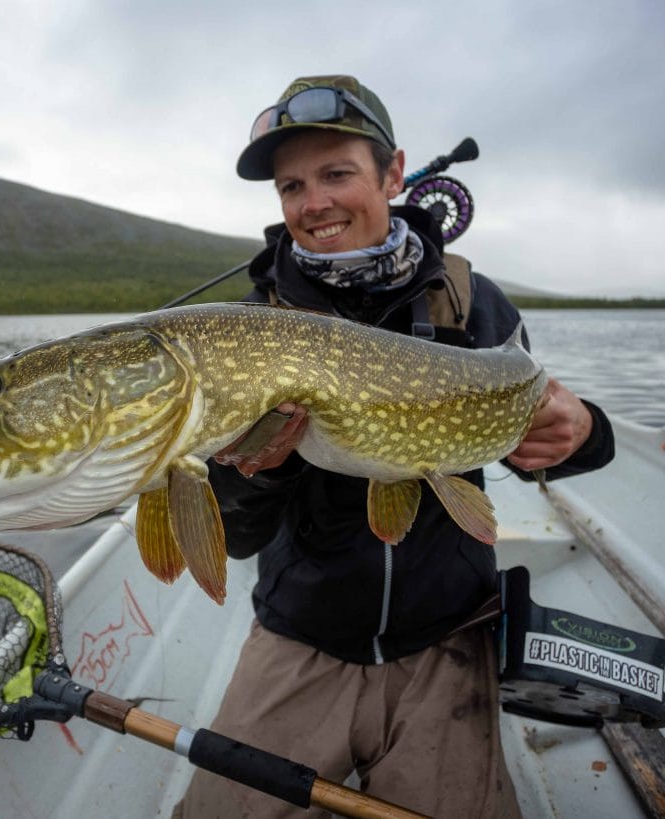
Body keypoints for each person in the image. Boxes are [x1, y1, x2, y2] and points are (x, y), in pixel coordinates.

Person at [172, 75, 615, 818]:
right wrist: (262, 470)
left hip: (446, 637)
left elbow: (542, 444)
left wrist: (585, 428)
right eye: (291, 186)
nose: (314, 203)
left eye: (337, 173)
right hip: (302, 634)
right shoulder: (243, 333)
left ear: (394, 173)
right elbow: (237, 532)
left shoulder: (473, 304)